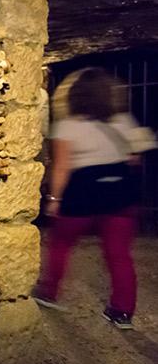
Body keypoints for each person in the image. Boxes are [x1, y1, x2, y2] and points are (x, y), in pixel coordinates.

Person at [35, 67, 156, 329]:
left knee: (61, 244)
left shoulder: (66, 126)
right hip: (119, 198)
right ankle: (122, 312)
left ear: (75, 96)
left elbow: (62, 166)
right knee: (119, 255)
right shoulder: (123, 121)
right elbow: (135, 158)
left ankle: (49, 292)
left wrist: (54, 198)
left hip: (82, 195)